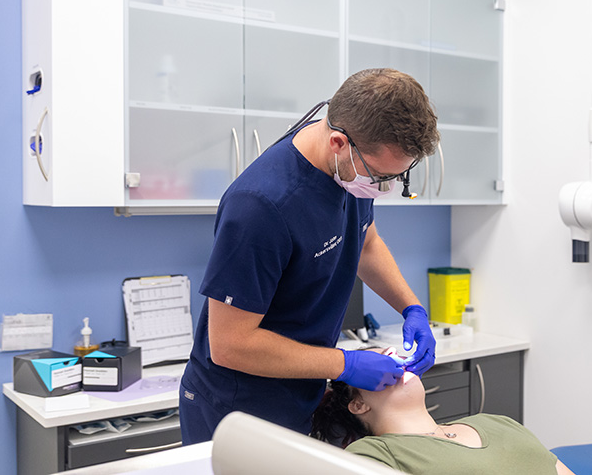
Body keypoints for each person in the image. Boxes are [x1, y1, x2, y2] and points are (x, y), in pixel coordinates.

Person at [179, 68, 441, 445]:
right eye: (380, 175)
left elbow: (365, 242)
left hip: (300, 392)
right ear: (338, 142)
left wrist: (412, 308)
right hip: (238, 410)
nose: (381, 188)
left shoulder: (348, 174)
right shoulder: (260, 206)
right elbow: (230, 345)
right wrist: (345, 364)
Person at [311, 348, 577, 475]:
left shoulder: (494, 421)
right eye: (379, 363)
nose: (395, 362)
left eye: (393, 356)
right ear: (358, 405)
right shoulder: (373, 454)